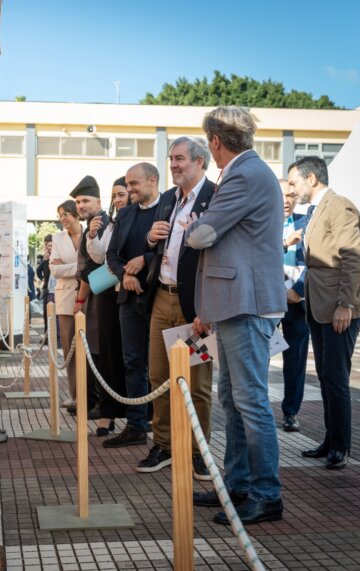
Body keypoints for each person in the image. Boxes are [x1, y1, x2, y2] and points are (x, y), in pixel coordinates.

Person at [186, 106, 286, 525]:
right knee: (233, 398)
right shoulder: (249, 171)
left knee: (249, 401)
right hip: (236, 302)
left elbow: (202, 235)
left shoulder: (243, 175)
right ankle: (239, 484)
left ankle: (265, 493)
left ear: (214, 141)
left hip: (246, 303)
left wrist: (195, 225)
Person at [289, 156, 360, 470]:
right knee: (326, 376)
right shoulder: (315, 210)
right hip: (319, 305)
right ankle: (330, 440)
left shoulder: (339, 206)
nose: (292, 189)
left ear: (311, 179)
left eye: (295, 182)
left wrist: (345, 304)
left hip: (340, 306)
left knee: (336, 377)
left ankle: (340, 446)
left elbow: (353, 258)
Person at [141, 136, 216, 479]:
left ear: (200, 162)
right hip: (161, 297)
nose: (173, 164)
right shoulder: (169, 198)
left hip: (194, 303)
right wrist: (150, 238)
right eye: (171, 158)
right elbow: (156, 246)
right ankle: (164, 445)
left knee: (197, 383)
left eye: (180, 158)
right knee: (158, 377)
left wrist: (206, 308)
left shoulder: (215, 196)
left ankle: (199, 451)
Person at [104, 162, 161, 448]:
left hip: (161, 297)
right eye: (127, 185)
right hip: (129, 299)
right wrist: (125, 275)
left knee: (162, 366)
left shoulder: (169, 208)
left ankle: (164, 427)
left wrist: (146, 261)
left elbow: (176, 250)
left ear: (152, 181)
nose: (129, 190)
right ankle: (136, 425)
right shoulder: (125, 214)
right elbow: (112, 254)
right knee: (133, 363)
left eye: (134, 184)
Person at [87, 176, 129, 431]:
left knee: (132, 355)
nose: (118, 200)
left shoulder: (143, 218)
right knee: (107, 354)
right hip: (107, 294)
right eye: (114, 196)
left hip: (132, 291)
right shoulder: (111, 224)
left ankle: (138, 415)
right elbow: (99, 256)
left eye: (122, 194)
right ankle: (108, 412)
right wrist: (92, 235)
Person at [71, 175, 112, 426]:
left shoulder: (102, 224)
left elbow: (93, 266)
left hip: (100, 294)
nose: (81, 205)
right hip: (94, 293)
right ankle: (97, 403)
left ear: (99, 201)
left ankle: (102, 406)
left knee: (99, 351)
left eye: (85, 200)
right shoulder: (92, 225)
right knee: (93, 350)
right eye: (78, 202)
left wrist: (80, 299)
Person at [279, 179, 309, 432]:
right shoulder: (261, 220)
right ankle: (254, 409)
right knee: (259, 356)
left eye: (291, 195)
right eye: (282, 195)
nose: (287, 200)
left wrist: (298, 290)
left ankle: (291, 412)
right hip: (267, 300)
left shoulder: (306, 222)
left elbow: (315, 259)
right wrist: (285, 243)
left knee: (295, 360)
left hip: (298, 302)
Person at [50, 199, 83, 409]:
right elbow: (54, 270)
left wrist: (67, 266)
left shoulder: (91, 234)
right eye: (60, 215)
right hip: (65, 300)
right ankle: (75, 395)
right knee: (69, 349)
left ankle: (91, 396)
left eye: (66, 214)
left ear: (76, 214)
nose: (62, 218)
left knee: (90, 349)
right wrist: (79, 267)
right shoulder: (57, 238)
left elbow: (97, 263)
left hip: (89, 296)